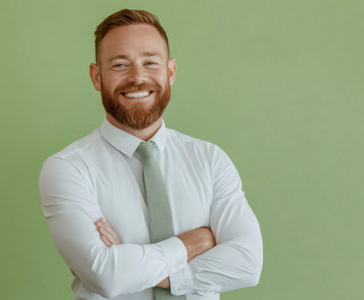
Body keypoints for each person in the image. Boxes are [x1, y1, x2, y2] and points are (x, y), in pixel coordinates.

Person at [39, 9, 263, 300]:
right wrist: (194, 243)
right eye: (120, 64)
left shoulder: (210, 160)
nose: (137, 77)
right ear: (97, 76)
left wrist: (135, 264)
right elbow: (107, 277)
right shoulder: (67, 169)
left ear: (170, 71)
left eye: (150, 62)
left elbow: (247, 263)